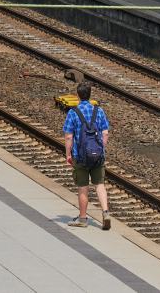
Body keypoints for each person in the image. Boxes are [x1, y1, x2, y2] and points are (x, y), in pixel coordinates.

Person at [63, 81, 111, 230]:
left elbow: (68, 136)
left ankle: (82, 218)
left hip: (80, 156)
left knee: (83, 186)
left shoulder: (73, 112)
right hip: (97, 155)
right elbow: (105, 132)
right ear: (90, 96)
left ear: (77, 96)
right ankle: (105, 213)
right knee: (99, 185)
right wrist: (101, 149)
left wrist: (68, 154)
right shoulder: (99, 111)